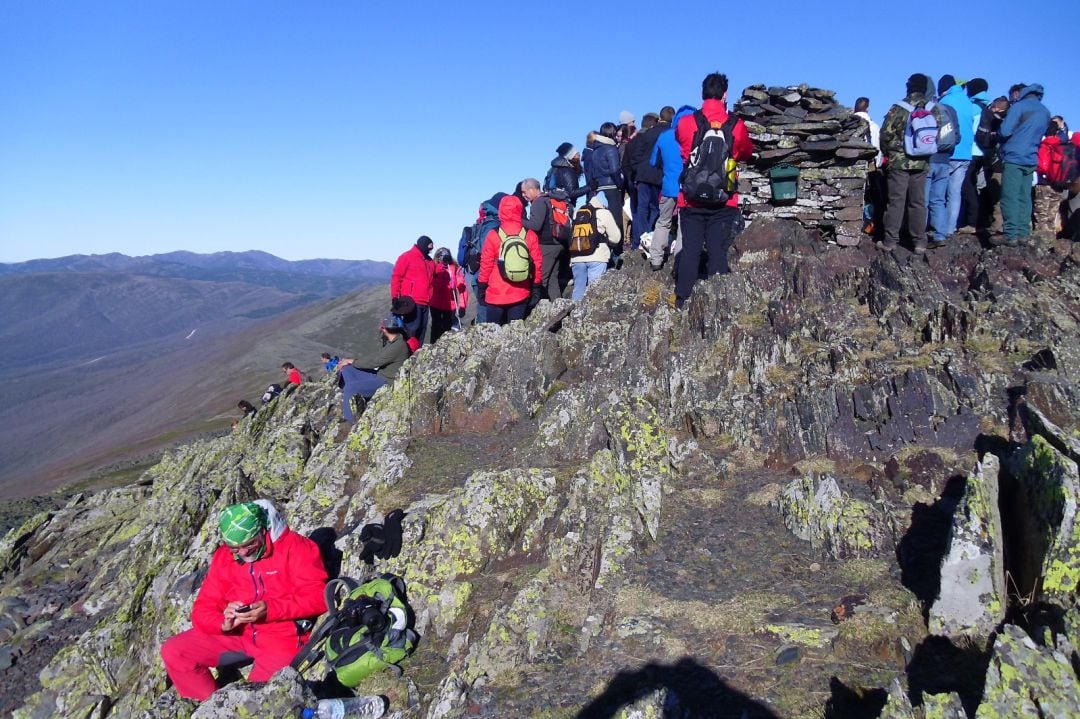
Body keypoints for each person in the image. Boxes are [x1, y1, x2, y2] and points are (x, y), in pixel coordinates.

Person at [160, 501, 328, 701]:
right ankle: (208, 707)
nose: (243, 553)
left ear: (263, 530)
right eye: (234, 548)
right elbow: (203, 608)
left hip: (282, 640)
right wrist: (222, 623)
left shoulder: (295, 547)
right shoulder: (224, 557)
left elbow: (319, 596)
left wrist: (271, 609)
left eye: (250, 544)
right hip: (240, 633)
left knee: (252, 702)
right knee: (175, 651)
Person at [673, 72, 753, 308]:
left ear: (702, 93)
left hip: (691, 199)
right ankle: (718, 302)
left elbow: (682, 147)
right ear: (725, 94)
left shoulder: (687, 123)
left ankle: (683, 299)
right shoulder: (736, 125)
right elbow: (746, 151)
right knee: (718, 249)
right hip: (724, 199)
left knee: (690, 249)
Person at [879, 73, 933, 253]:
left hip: (899, 162)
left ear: (908, 87)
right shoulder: (934, 108)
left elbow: (885, 135)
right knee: (918, 202)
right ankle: (919, 242)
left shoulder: (899, 108)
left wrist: (890, 152)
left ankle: (890, 241)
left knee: (896, 201)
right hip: (922, 162)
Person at [997, 84, 1051, 246]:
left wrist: (998, 134)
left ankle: (1010, 234)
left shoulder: (1019, 106)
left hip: (1014, 156)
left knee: (1010, 195)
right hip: (1031, 158)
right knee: (1024, 196)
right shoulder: (1045, 111)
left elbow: (1005, 131)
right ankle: (1023, 233)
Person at [477, 195, 543, 325]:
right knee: (515, 337)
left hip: (495, 294)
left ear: (501, 211)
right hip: (520, 293)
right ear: (520, 210)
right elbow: (537, 263)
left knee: (495, 338)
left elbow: (486, 264)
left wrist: (482, 287)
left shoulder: (493, 234)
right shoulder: (529, 234)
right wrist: (536, 287)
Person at [927, 75, 977, 247]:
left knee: (937, 195)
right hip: (966, 153)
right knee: (955, 193)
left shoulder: (945, 101)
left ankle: (934, 228)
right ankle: (949, 229)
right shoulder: (968, 101)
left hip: (947, 153)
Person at [337, 316, 412, 421]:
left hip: (386, 381)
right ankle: (357, 399)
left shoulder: (398, 346)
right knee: (347, 369)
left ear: (384, 329)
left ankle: (349, 421)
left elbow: (374, 362)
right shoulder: (393, 342)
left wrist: (353, 361)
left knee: (350, 387)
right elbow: (375, 357)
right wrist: (351, 361)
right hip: (379, 375)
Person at [647, 105, 693, 271]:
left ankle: (656, 259)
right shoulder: (696, 135)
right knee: (684, 226)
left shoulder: (665, 137)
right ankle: (679, 261)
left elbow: (653, 162)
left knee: (663, 222)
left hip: (668, 187)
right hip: (688, 189)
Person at [521, 178, 568, 301]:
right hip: (558, 243)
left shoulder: (538, 203)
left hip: (547, 245)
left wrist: (518, 221)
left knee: (542, 279)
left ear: (532, 189)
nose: (523, 195)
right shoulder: (549, 199)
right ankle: (558, 307)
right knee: (553, 278)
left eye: (524, 191)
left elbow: (536, 225)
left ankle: (540, 310)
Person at [570, 193, 621, 301]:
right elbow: (616, 237)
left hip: (577, 257)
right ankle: (590, 316)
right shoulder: (604, 213)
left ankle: (574, 315)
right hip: (597, 256)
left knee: (578, 290)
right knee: (594, 292)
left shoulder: (577, 212)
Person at [626, 112, 665, 249]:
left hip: (640, 177)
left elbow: (630, 160)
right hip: (654, 176)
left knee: (640, 209)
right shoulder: (658, 136)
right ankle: (648, 233)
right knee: (654, 207)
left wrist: (636, 172)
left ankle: (641, 237)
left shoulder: (635, 140)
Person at [585, 122, 625, 257]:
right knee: (616, 220)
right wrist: (620, 184)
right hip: (612, 187)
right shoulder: (610, 149)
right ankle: (617, 251)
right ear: (612, 133)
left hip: (600, 188)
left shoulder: (595, 150)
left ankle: (606, 249)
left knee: (602, 219)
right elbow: (614, 170)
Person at [390, 236, 436, 346]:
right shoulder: (407, 257)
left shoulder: (429, 261)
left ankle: (416, 357)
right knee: (411, 332)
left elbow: (434, 277)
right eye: (429, 247)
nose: (430, 250)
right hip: (411, 303)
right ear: (423, 245)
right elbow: (397, 277)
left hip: (425, 302)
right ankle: (407, 356)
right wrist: (395, 297)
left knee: (421, 331)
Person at [429, 247, 468, 343]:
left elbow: (462, 288)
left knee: (446, 327)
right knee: (436, 327)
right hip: (435, 304)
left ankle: (443, 348)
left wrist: (462, 306)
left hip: (449, 305)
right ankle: (434, 347)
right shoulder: (433, 268)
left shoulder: (454, 268)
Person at [545, 142, 587, 207]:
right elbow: (571, 193)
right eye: (575, 154)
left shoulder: (555, 168)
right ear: (569, 156)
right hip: (564, 206)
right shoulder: (566, 170)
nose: (579, 154)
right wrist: (589, 187)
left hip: (555, 205)